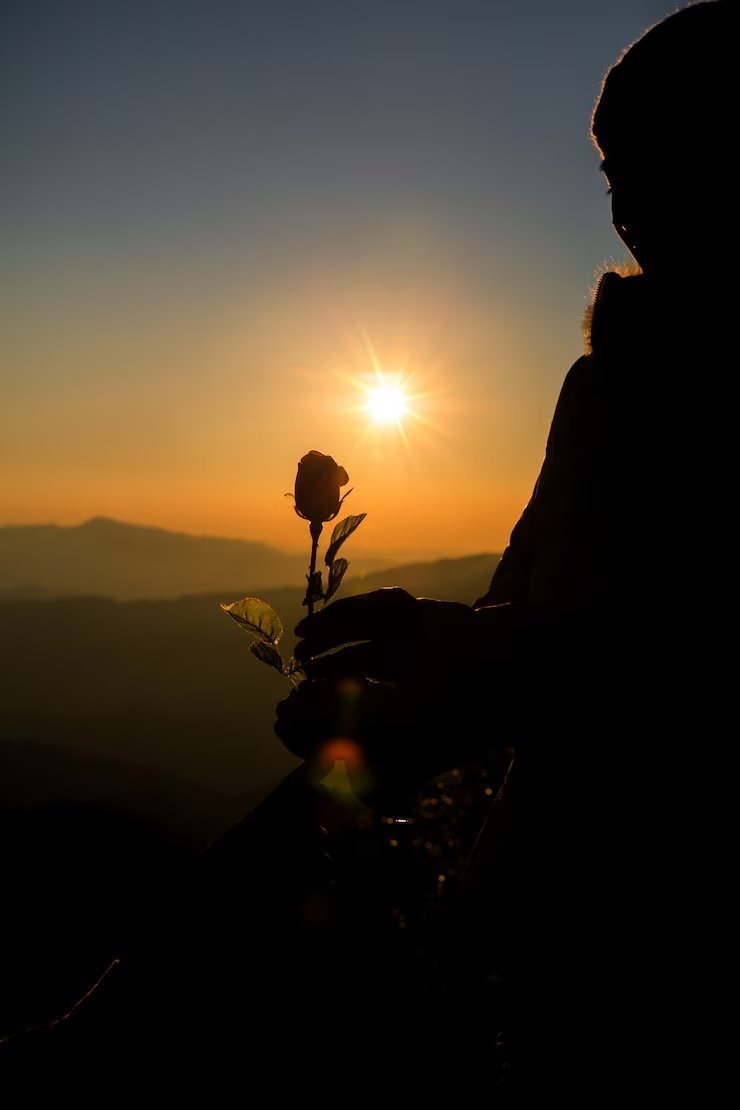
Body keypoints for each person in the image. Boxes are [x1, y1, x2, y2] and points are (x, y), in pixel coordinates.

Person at [4, 1, 733, 1091]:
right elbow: (510, 621)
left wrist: (471, 666)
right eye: (608, 172)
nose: (626, 203)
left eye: (663, 158)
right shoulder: (602, 386)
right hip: (541, 933)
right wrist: (401, 695)